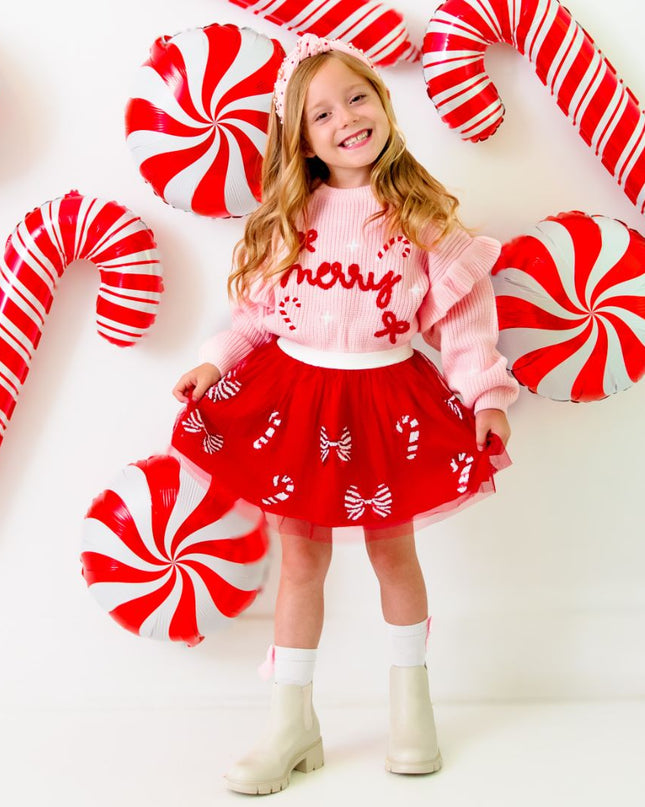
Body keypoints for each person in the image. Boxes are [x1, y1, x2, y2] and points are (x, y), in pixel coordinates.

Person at [172, 34, 519, 795]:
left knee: (393, 554)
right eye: (321, 113)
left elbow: (461, 323)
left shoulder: (419, 216)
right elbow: (258, 316)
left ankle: (410, 706)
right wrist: (212, 360)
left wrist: (485, 393)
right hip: (296, 402)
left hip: (386, 403)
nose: (346, 119)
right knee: (301, 560)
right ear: (300, 138)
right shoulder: (290, 216)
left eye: (357, 97)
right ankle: (290, 721)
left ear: (385, 104)